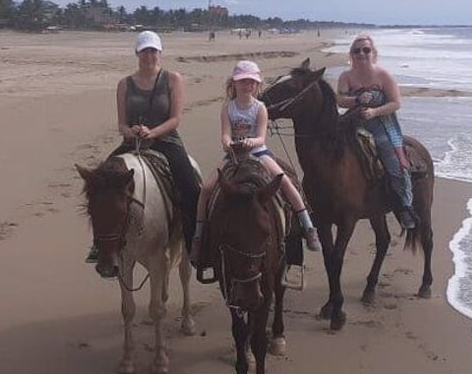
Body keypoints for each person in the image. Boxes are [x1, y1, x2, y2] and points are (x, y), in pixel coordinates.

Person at [189, 60, 321, 264]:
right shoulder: (228, 108)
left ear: (256, 85)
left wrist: (251, 142)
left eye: (251, 82)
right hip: (234, 156)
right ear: (234, 83)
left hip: (259, 154)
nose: (247, 85)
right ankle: (199, 235)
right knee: (207, 188)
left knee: (285, 181)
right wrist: (229, 144)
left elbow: (261, 137)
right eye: (243, 81)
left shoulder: (259, 108)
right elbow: (224, 135)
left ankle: (307, 225)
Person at [86, 30, 200, 262]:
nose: (149, 56)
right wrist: (132, 132)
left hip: (166, 141)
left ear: (160, 53)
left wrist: (153, 132)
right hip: (132, 142)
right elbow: (122, 124)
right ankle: (99, 245)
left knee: (191, 188)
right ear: (137, 53)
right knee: (100, 184)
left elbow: (176, 118)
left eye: (153, 51)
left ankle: (193, 241)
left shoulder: (172, 79)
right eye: (144, 51)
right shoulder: (125, 84)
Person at [336, 34, 416, 229]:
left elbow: (396, 103)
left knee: (393, 160)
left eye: (366, 50)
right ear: (351, 54)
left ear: (373, 53)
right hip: (353, 122)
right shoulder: (346, 76)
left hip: (381, 124)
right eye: (357, 50)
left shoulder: (383, 76)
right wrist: (355, 100)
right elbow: (340, 99)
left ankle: (404, 205)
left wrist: (374, 111)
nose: (361, 54)